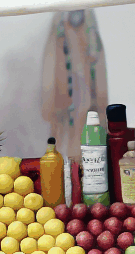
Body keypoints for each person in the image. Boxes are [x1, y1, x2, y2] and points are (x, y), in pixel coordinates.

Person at [41, 9, 108, 161]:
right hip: (64, 87)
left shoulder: (90, 24)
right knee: (60, 128)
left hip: (85, 88)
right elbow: (51, 65)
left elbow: (96, 61)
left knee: (84, 122)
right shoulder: (58, 25)